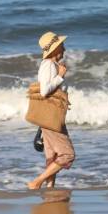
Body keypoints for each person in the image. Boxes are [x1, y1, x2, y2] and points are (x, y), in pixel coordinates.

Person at [27, 31, 76, 190]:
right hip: (51, 118)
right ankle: (37, 182)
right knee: (67, 155)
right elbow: (44, 91)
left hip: (52, 117)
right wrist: (60, 76)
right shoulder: (48, 65)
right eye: (62, 45)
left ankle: (50, 190)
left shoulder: (52, 65)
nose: (64, 48)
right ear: (55, 49)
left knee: (52, 156)